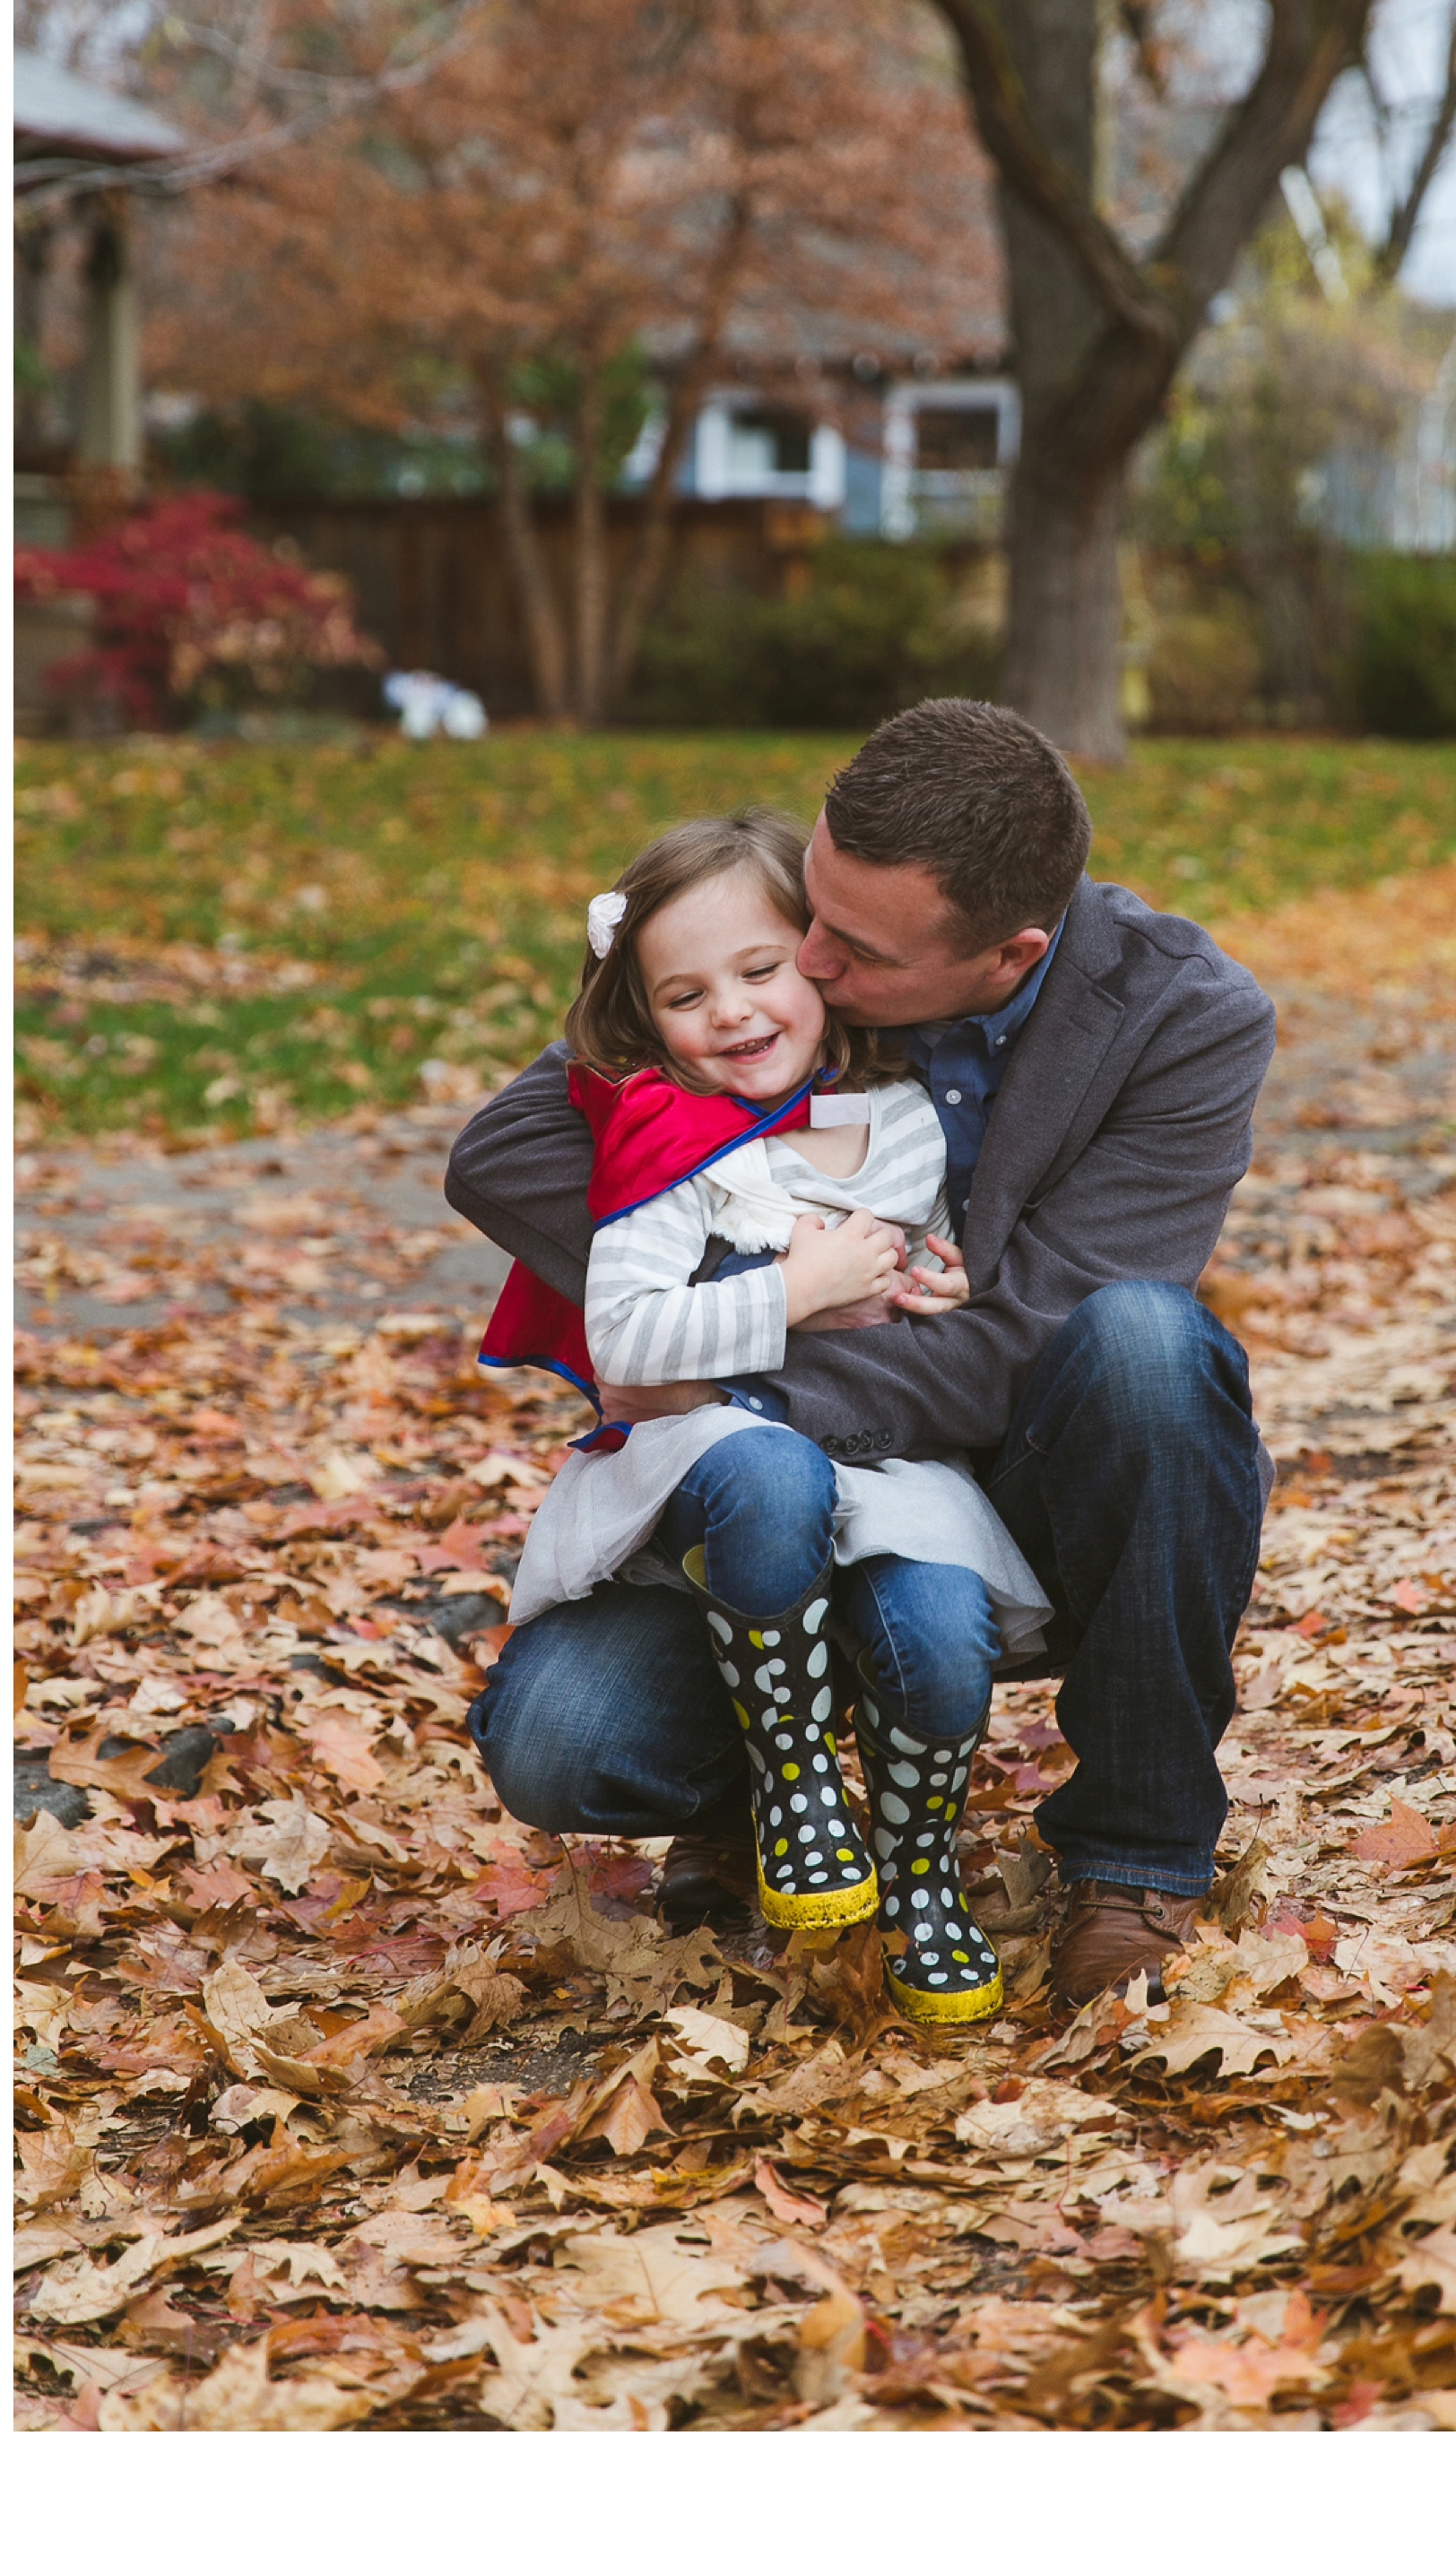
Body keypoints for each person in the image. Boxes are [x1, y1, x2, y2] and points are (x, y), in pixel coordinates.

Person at [450, 700, 1278, 2007]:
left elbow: (1026, 1344)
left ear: (1007, 954)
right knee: (559, 1741)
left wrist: (719, 1362)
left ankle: (1136, 1848)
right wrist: (767, 1286)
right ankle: (769, 1796)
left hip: (1019, 1490)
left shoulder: (1179, 1017)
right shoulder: (775, 957)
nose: (808, 957)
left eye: (852, 947)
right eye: (811, 909)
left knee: (1148, 1349)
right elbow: (503, 1153)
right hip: (766, 1493)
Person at [473, 808, 1053, 2026]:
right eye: (686, 993)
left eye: (760, 969)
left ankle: (917, 1874)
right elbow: (628, 1342)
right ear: (647, 1016)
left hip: (891, 1468)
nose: (732, 1011)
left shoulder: (903, 1115)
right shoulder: (668, 1134)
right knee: (768, 1477)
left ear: (826, 959)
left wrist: (937, 1280)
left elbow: (943, 1271)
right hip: (729, 1473)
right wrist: (798, 1290)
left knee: (942, 1620)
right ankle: (787, 1786)